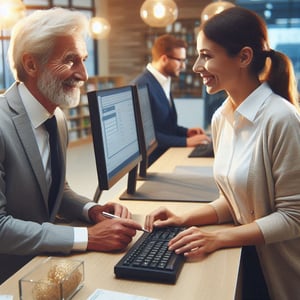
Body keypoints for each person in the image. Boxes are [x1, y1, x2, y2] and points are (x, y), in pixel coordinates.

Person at [144, 7, 300, 300]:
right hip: (247, 253)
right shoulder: (222, 117)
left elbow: (294, 217)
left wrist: (218, 237)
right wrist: (184, 218)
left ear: (243, 57)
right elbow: (235, 201)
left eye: (207, 55)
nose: (196, 66)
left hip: (278, 269)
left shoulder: (282, 119)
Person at [0, 8, 143, 283]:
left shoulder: (57, 117)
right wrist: (87, 237)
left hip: (44, 266)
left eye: (84, 60)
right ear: (31, 65)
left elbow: (56, 188)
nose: (84, 74)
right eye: (70, 61)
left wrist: (90, 210)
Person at [132, 34, 211, 165]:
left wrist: (186, 132)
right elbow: (145, 137)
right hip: (153, 164)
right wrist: (185, 142)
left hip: (167, 156)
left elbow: (164, 126)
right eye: (180, 60)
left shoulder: (163, 80)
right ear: (164, 59)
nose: (183, 66)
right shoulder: (140, 86)